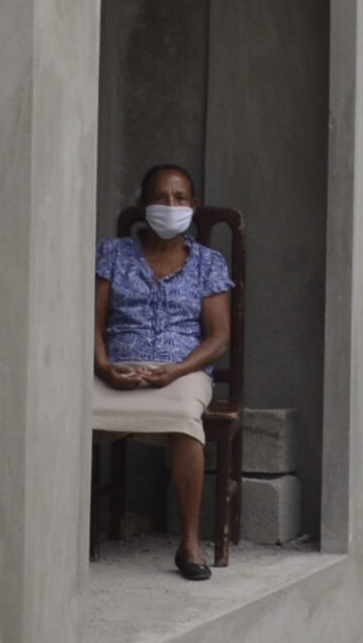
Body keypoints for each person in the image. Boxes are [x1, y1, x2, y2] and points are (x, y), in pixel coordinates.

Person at [93, 163, 231, 582]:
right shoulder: (112, 254)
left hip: (183, 371)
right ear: (142, 205)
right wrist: (103, 367)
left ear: (193, 205)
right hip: (115, 368)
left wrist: (177, 371)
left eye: (179, 198)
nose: (170, 205)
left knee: (185, 419)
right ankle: (65, 532)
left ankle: (189, 542)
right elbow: (90, 322)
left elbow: (218, 337)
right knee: (71, 413)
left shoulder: (208, 263)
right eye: (159, 197)